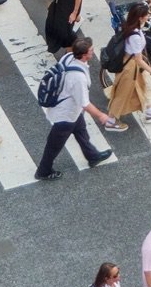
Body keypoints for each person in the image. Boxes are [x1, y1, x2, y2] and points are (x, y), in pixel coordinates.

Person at [34, 39, 119, 181]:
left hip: (71, 110)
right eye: (91, 50)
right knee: (54, 145)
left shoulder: (69, 57)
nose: (93, 52)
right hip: (66, 114)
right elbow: (84, 103)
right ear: (85, 55)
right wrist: (101, 115)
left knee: (81, 130)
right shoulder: (78, 77)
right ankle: (43, 171)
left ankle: (92, 155)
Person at [104, 4, 151, 127]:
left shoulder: (130, 27)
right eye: (146, 15)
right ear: (140, 18)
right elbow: (138, 60)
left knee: (144, 86)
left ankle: (150, 111)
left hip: (131, 64)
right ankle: (110, 122)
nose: (148, 16)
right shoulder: (135, 36)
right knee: (122, 94)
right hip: (130, 68)